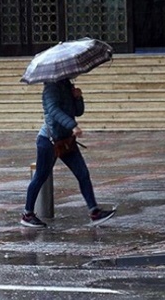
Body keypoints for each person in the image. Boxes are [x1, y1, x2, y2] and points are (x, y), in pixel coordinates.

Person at [20, 78, 115, 228]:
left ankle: (94, 212)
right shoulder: (51, 88)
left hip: (66, 140)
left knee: (82, 173)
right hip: (49, 141)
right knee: (40, 176)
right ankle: (27, 214)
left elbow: (77, 112)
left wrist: (78, 98)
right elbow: (54, 110)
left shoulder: (66, 85)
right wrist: (73, 125)